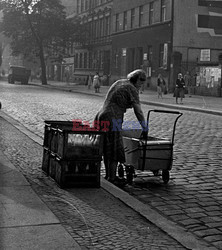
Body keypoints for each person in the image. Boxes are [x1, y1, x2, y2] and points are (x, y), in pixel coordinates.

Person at [94, 69, 148, 184]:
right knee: (114, 147)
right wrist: (144, 127)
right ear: (137, 79)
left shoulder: (121, 82)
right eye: (141, 83)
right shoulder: (132, 88)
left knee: (107, 147)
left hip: (101, 115)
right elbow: (138, 111)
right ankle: (113, 178)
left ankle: (109, 176)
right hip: (112, 117)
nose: (141, 86)